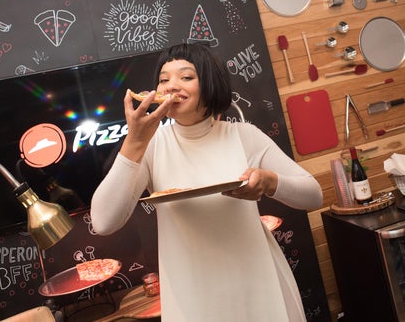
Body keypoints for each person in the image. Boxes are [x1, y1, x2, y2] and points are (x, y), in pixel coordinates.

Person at [90, 43, 323, 321]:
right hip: (191, 296)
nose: (171, 86)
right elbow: (104, 222)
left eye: (186, 77)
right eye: (164, 80)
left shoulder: (243, 135)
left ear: (210, 83)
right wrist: (134, 143)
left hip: (258, 282)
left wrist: (270, 182)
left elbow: (314, 196)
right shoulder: (152, 145)